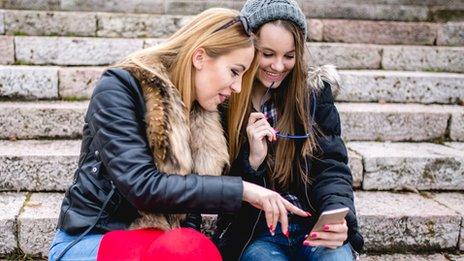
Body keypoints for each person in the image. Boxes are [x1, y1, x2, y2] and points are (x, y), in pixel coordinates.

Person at [48, 8, 309, 261]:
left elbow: (189, 220)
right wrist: (242, 189)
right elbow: (142, 186)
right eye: (234, 72)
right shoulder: (120, 89)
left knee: (193, 248)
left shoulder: (200, 114)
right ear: (199, 57)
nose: (238, 87)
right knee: (183, 251)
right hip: (90, 239)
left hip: (162, 243)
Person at [213, 1, 364, 260]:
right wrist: (253, 161)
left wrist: (338, 215)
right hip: (258, 230)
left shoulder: (313, 95)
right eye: (268, 54)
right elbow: (220, 186)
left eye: (289, 56)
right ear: (248, 48)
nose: (279, 66)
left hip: (311, 222)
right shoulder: (224, 100)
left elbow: (331, 165)